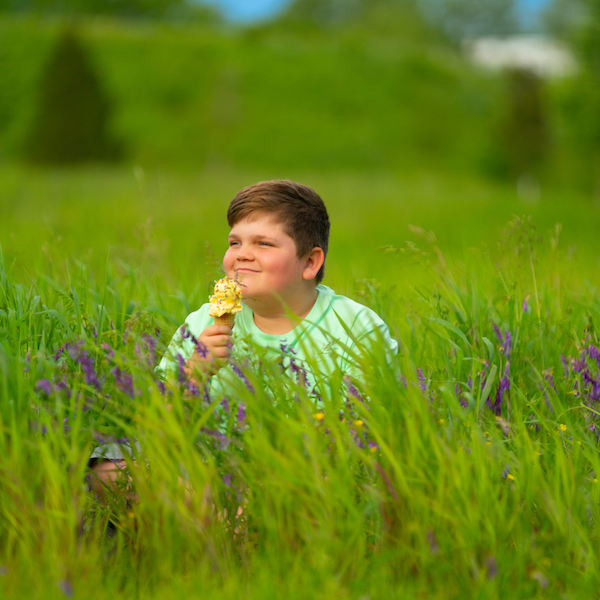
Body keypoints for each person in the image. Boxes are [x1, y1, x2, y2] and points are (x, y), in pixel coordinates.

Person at [157, 179, 398, 396]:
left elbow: (372, 425)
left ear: (310, 262)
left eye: (263, 243)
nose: (242, 254)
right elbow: (155, 427)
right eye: (235, 242)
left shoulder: (356, 328)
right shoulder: (199, 326)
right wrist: (192, 375)